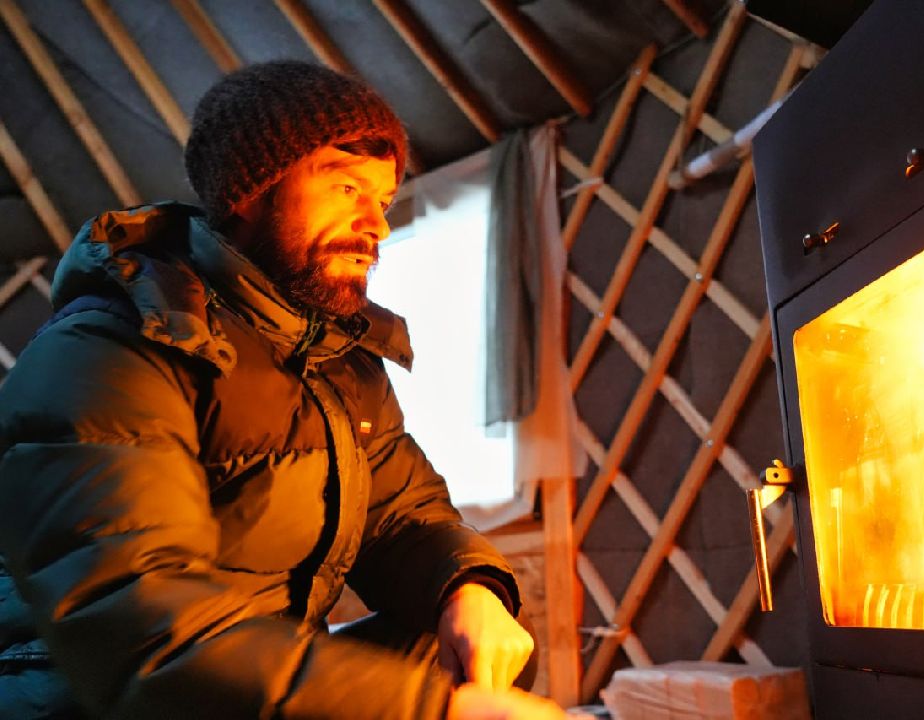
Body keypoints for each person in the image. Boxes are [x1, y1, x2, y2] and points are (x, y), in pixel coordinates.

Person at [0, 60, 566, 719]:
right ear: (250, 190)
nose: (376, 225)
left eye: (381, 200)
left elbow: (403, 518)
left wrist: (465, 588)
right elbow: (143, 633)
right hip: (100, 699)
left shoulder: (337, 363)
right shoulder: (108, 350)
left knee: (457, 654)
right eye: (345, 186)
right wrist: (428, 711)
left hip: (248, 692)